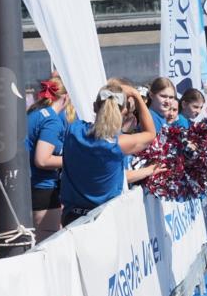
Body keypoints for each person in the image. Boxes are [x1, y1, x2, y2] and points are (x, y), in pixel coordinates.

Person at [60, 83, 156, 226]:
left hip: (71, 217)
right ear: (124, 111)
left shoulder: (73, 130)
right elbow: (150, 134)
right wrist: (136, 95)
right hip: (104, 220)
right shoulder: (119, 143)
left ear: (94, 106)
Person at [26, 77, 73, 242]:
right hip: (42, 187)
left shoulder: (36, 113)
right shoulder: (51, 119)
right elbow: (43, 160)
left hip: (30, 185)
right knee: (47, 243)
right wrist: (74, 160)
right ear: (66, 97)